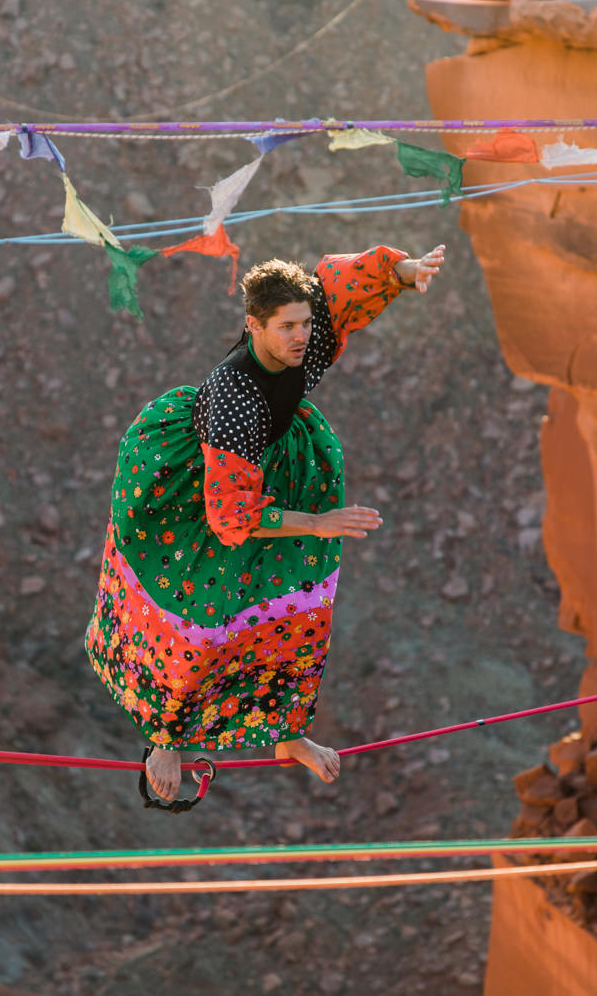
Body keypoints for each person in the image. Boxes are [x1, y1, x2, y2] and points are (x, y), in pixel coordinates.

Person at [86, 243, 448, 802]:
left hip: (268, 471)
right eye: (286, 327)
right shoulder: (235, 398)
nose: (300, 336)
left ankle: (286, 734)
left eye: (303, 323)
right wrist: (318, 522)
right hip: (201, 497)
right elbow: (232, 517)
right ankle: (165, 737)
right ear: (253, 325)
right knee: (200, 625)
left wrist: (401, 272)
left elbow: (338, 290)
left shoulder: (308, 337)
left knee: (295, 611)